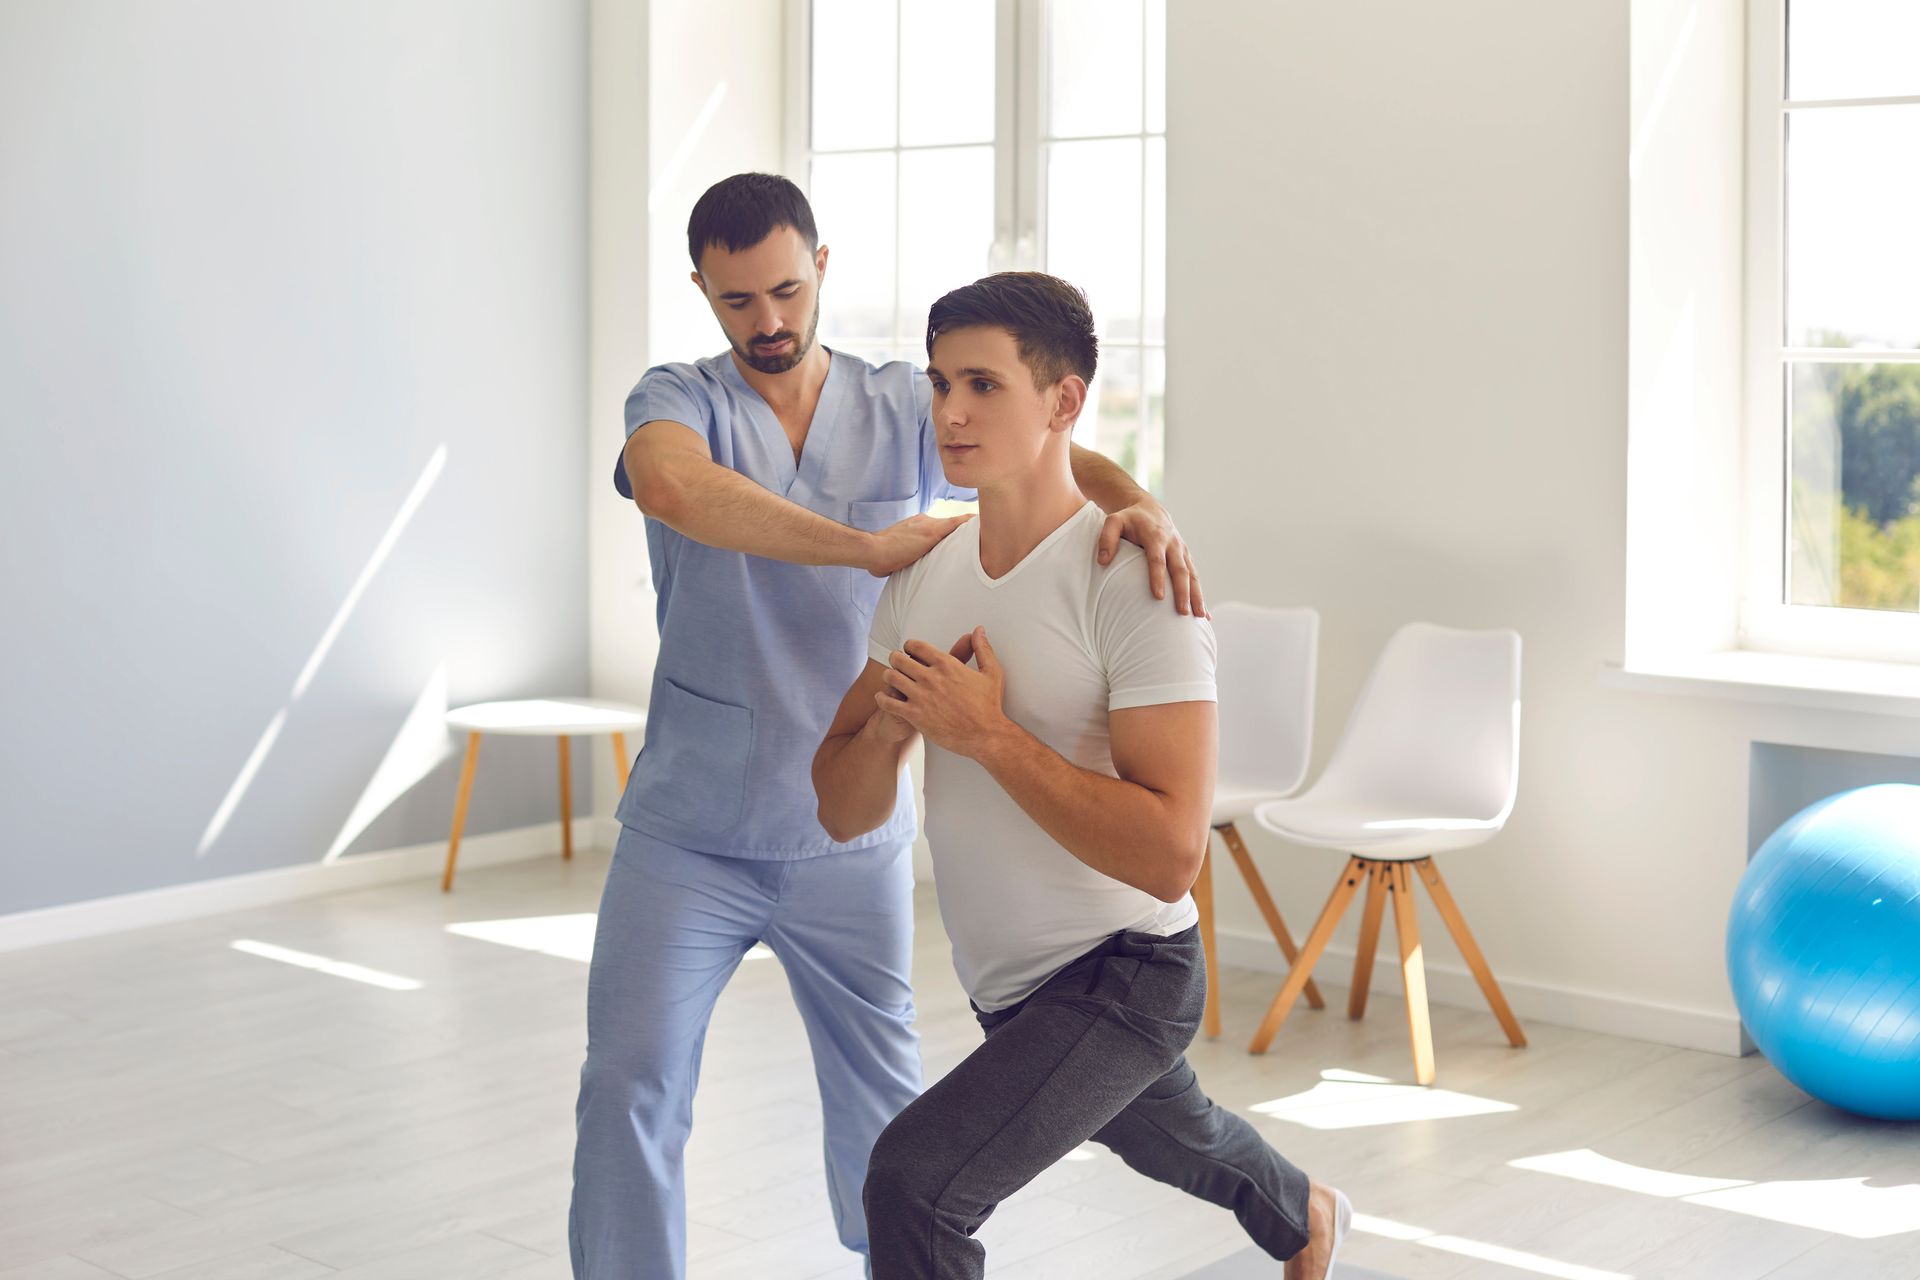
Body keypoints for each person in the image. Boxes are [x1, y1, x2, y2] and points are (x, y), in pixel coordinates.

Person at [570, 174, 1206, 1279]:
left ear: (824, 265)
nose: (766, 322)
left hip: (848, 838)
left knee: (885, 1110)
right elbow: (673, 490)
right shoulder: (676, 397)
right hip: (689, 829)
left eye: (783, 289)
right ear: (701, 294)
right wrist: (863, 546)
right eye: (736, 302)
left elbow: (1048, 451)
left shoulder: (900, 401)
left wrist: (1140, 507)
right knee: (631, 1079)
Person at [812, 272, 1350, 1280]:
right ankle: (1303, 1209)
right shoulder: (925, 574)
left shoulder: (1138, 580)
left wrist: (990, 737)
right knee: (1172, 1132)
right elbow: (842, 808)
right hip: (1009, 987)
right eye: (938, 383)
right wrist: (891, 729)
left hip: (1127, 971)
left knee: (915, 1182)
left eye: (982, 383)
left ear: (1063, 401)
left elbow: (1169, 855)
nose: (950, 411)